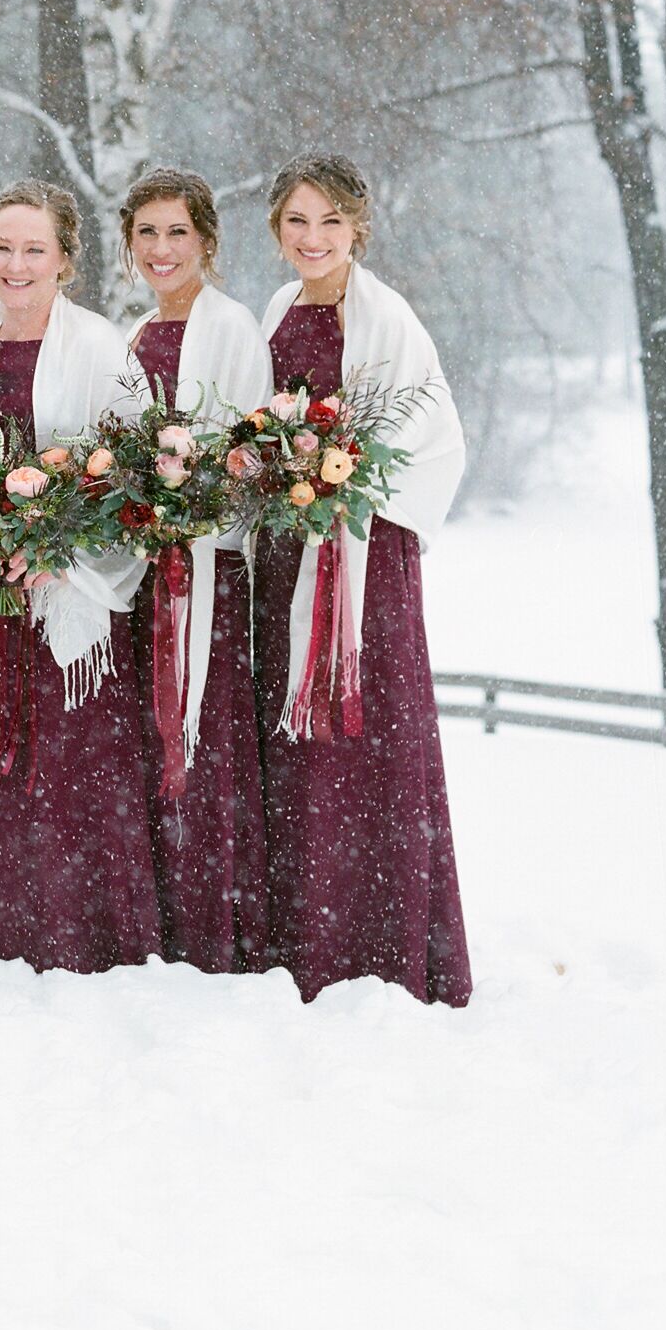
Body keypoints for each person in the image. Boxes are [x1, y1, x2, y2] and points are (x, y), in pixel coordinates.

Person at [255, 155, 471, 1005]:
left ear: (358, 229)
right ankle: (299, 929)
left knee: (364, 731)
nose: (313, 239)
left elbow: (434, 434)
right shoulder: (276, 310)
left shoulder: (385, 318)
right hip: (285, 552)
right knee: (292, 730)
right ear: (277, 227)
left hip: (363, 554)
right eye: (298, 222)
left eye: (331, 223)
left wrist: (351, 485)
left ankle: (374, 937)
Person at [0, 181, 159, 973]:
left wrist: (59, 546)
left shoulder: (100, 348)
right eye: (2, 247)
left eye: (35, 250)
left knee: (68, 771)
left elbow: (134, 483)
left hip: (71, 601)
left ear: (66, 261)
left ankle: (80, 934)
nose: (16, 264)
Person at [117, 167, 272, 973]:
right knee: (149, 738)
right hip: (146, 570)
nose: (162, 248)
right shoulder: (134, 335)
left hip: (210, 569)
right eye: (147, 232)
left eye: (177, 231)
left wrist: (194, 504)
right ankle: (158, 921)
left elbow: (249, 453)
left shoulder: (232, 326)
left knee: (205, 739)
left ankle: (214, 925)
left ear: (207, 240)